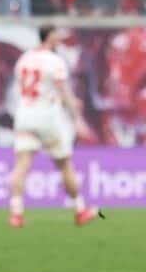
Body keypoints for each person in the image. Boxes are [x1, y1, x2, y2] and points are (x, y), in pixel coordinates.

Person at [9, 26, 100, 228]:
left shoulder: (24, 58)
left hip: (25, 115)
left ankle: (16, 213)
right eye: (56, 35)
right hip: (48, 117)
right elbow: (64, 91)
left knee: (21, 165)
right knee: (65, 164)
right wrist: (77, 118)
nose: (59, 39)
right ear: (49, 37)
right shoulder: (54, 61)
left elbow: (23, 86)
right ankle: (80, 210)